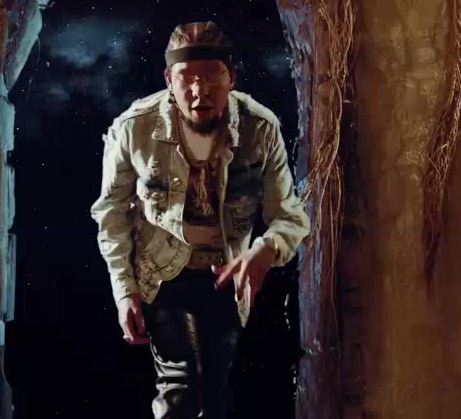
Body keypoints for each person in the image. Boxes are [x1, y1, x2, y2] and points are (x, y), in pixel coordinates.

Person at [90, 21, 311, 419]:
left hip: (227, 276)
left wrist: (266, 249)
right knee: (179, 389)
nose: (199, 90)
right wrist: (124, 292)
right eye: (186, 78)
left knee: (216, 394)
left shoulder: (261, 128)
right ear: (168, 81)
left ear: (232, 79)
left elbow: (289, 216)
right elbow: (111, 214)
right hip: (161, 275)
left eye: (212, 76)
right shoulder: (133, 128)